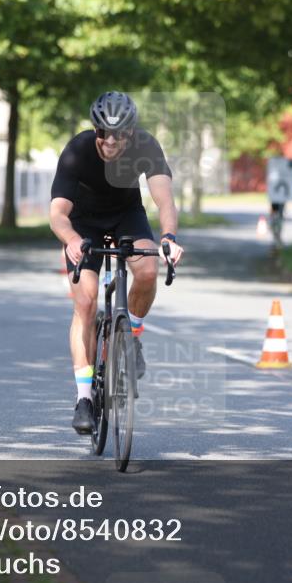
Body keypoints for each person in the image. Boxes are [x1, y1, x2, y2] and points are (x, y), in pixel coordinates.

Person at [49, 91, 184, 434]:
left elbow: (164, 200)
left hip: (127, 215)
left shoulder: (146, 146)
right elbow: (57, 214)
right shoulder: (77, 151)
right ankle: (83, 399)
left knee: (148, 268)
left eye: (119, 135)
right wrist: (73, 240)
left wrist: (168, 238)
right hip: (83, 223)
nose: (110, 142)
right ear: (95, 130)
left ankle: (132, 334)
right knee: (87, 300)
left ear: (130, 133)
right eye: (103, 134)